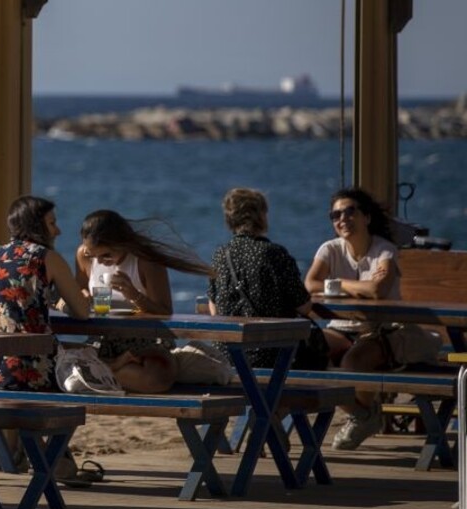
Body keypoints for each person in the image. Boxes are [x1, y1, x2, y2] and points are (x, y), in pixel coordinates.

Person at [304, 186, 441, 450]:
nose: (342, 219)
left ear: (366, 217)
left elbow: (377, 290)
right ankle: (364, 414)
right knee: (309, 350)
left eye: (349, 211)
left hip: (382, 329)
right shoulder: (330, 249)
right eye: (335, 215)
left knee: (353, 361)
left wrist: (334, 284)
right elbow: (310, 284)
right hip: (342, 327)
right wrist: (353, 286)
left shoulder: (384, 250)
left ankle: (360, 414)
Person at [75, 209, 212, 393]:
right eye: (94, 256)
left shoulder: (146, 261)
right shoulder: (84, 255)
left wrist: (134, 294)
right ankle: (114, 367)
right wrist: (83, 295)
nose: (100, 261)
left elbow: (165, 311)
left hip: (143, 341)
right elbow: (80, 287)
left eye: (106, 255)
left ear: (121, 243)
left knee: (155, 379)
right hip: (103, 337)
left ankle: (102, 372)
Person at [0, 195, 89, 392]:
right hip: (28, 373)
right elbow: (82, 311)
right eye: (52, 223)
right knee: (90, 356)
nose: (58, 231)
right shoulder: (48, 258)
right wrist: (63, 304)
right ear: (36, 226)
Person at [208, 189, 315, 367]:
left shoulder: (220, 254)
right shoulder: (274, 253)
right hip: (271, 356)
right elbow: (304, 307)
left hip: (227, 357)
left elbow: (215, 309)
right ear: (261, 216)